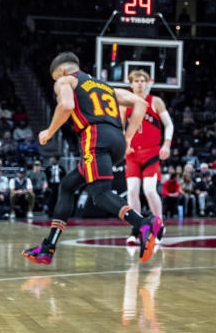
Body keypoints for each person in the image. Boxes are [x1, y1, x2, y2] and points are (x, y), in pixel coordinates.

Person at [22, 52, 161, 265]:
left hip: (95, 138)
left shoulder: (65, 80)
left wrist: (49, 132)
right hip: (115, 141)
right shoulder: (105, 86)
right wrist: (128, 138)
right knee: (68, 185)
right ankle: (48, 247)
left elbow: (67, 106)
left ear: (60, 71)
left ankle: (143, 223)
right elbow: (140, 104)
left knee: (101, 194)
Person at [124, 69, 173, 244]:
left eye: (142, 81)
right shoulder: (125, 103)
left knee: (150, 190)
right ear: (130, 84)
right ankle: (137, 228)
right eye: (136, 81)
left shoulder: (155, 102)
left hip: (151, 152)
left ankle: (158, 225)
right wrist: (124, 143)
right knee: (131, 191)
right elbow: (120, 128)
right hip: (132, 153)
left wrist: (166, 144)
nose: (139, 83)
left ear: (147, 83)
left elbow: (169, 124)